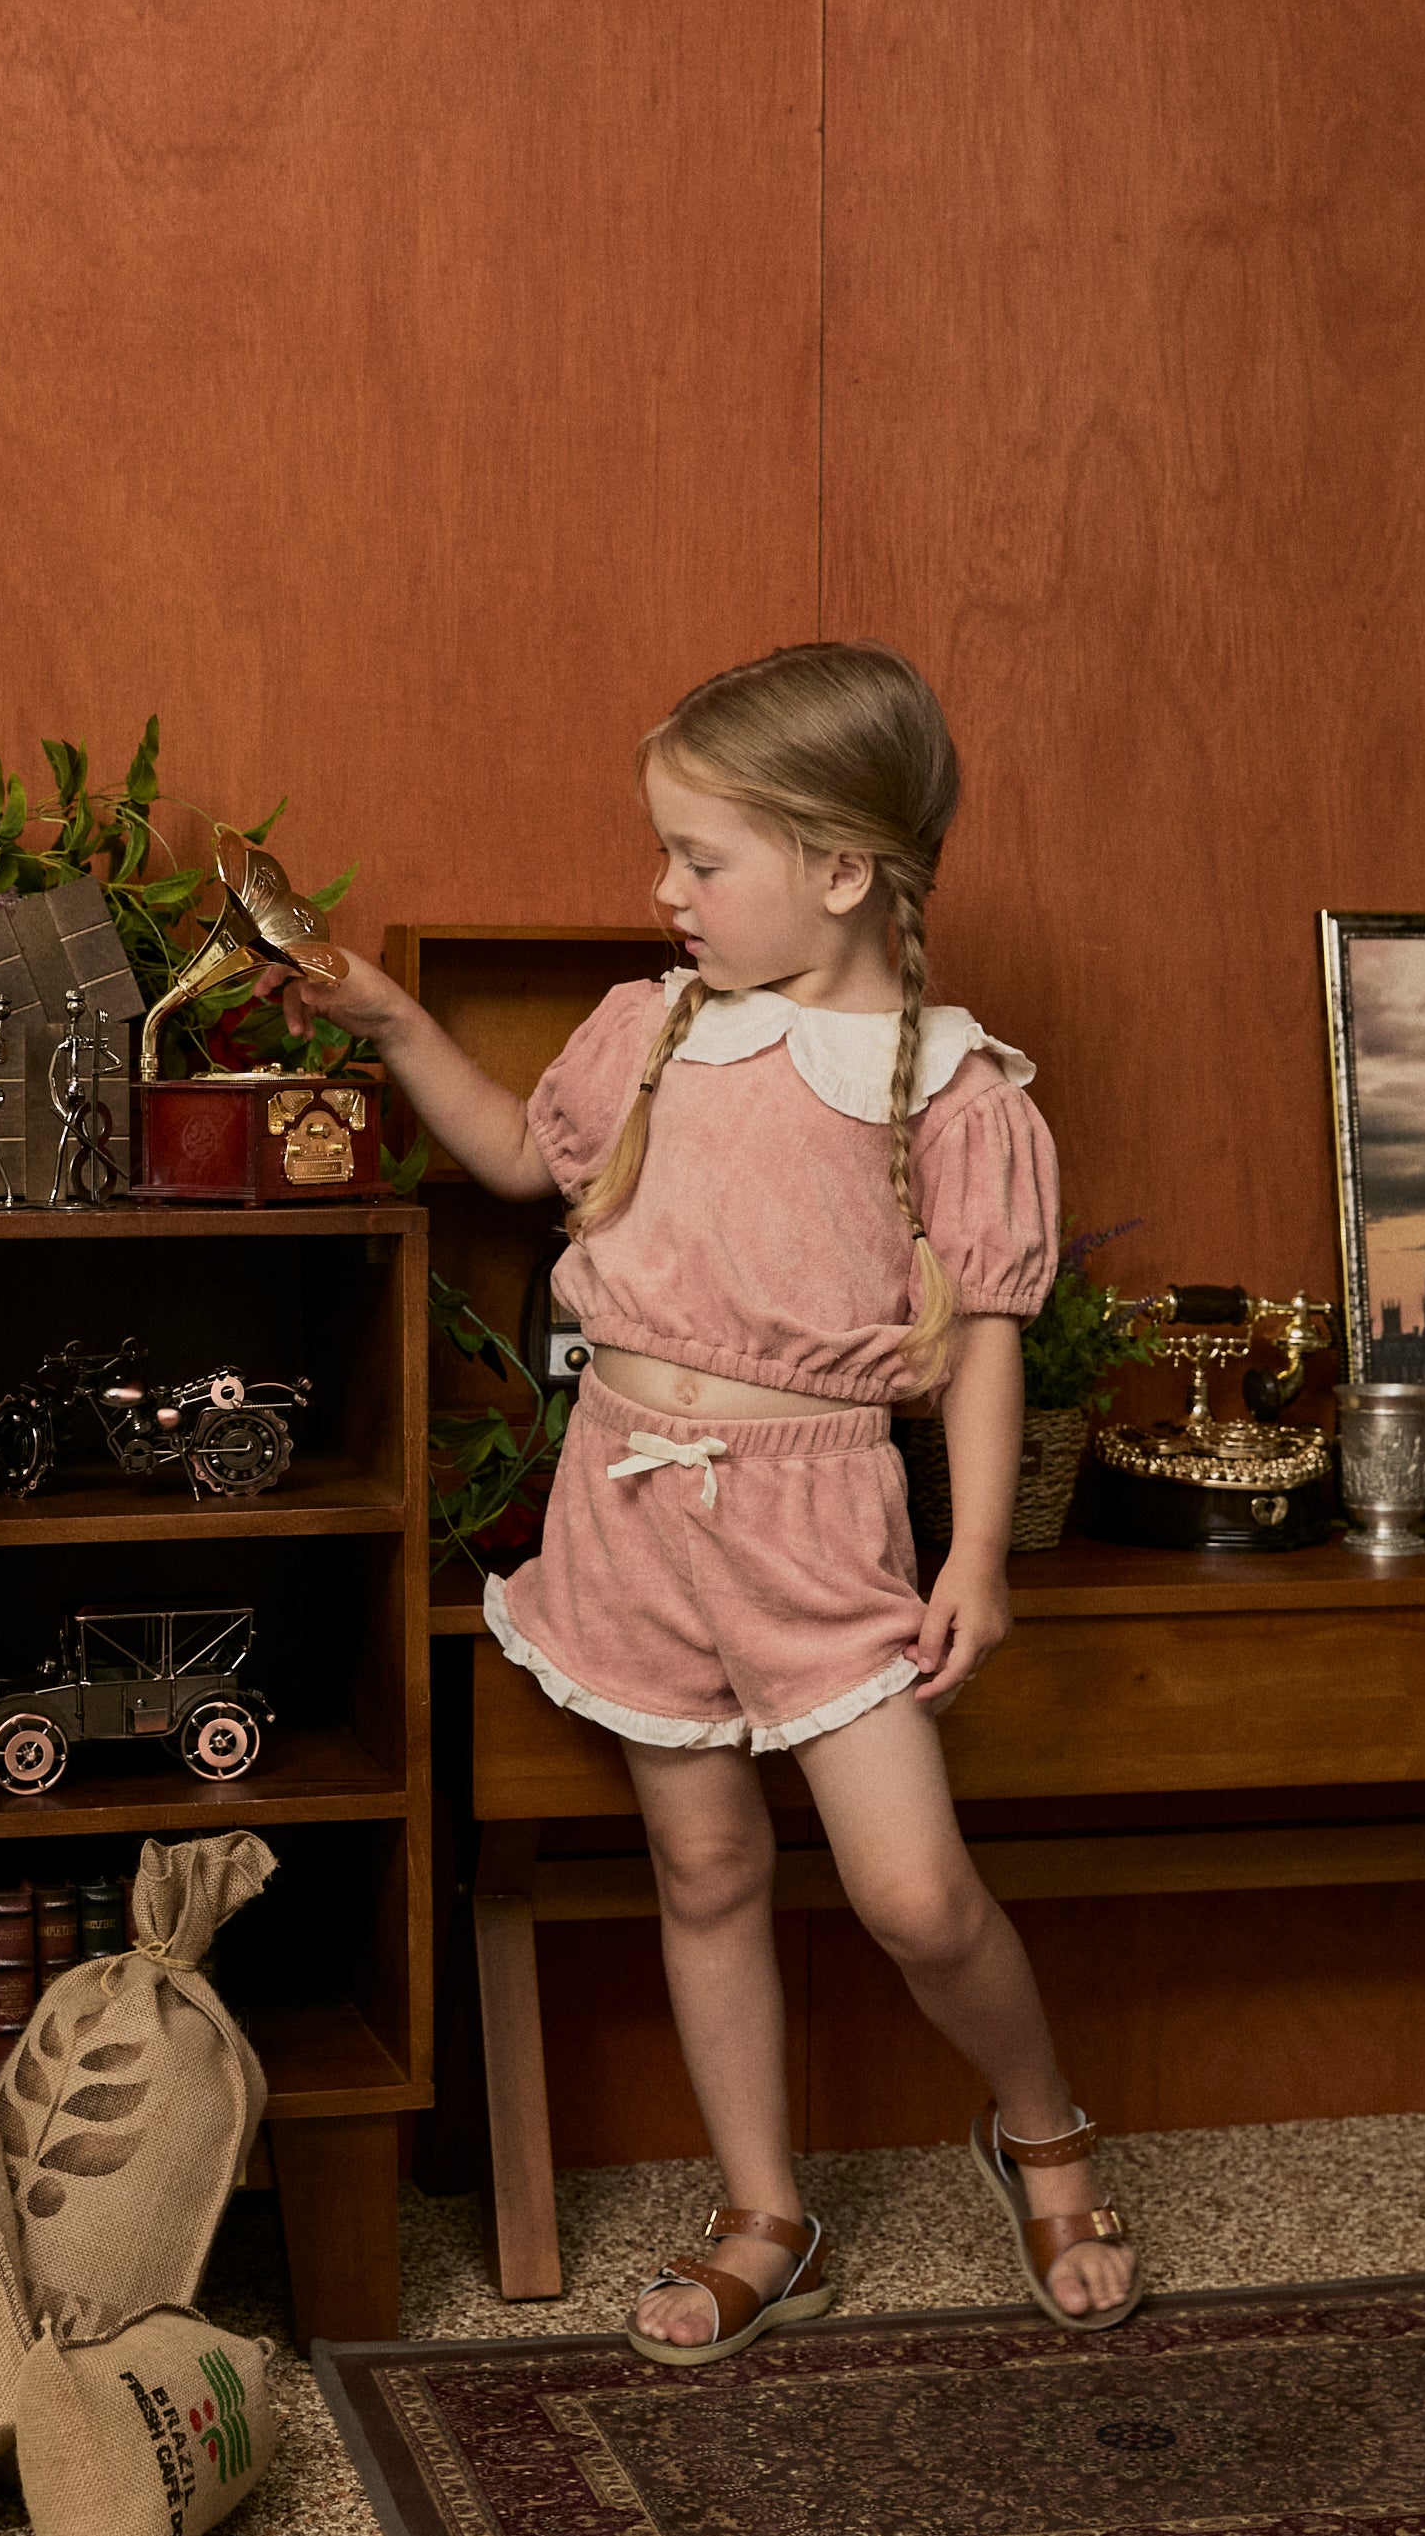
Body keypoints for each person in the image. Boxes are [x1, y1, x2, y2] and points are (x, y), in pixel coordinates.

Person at [265, 641, 1141, 2364]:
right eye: (664, 853)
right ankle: (767, 2211)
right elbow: (522, 1161)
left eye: (701, 860)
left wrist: (975, 1553)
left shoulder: (952, 1086)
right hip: (625, 1509)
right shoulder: (645, 1032)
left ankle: (1041, 2122)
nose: (662, 892)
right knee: (703, 1863)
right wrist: (390, 1025)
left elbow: (979, 1347)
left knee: (911, 1894)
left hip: (816, 1524)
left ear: (839, 869)